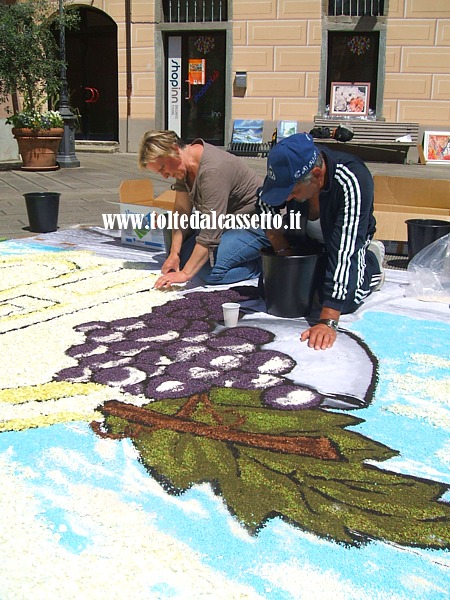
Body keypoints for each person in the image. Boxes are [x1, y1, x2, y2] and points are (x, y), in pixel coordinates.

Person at [258, 132, 385, 351]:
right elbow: (265, 202)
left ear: (317, 175)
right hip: (309, 240)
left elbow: (345, 250)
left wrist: (328, 319)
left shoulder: (352, 179)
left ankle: (372, 260)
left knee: (345, 300)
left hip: (347, 242)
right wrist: (280, 245)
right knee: (273, 290)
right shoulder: (287, 171)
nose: (286, 199)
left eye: (292, 192)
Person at [138, 130, 271, 289]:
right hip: (230, 223)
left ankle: (261, 265)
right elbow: (181, 210)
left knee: (208, 272)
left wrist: (185, 274)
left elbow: (210, 232)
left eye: (162, 168)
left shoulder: (212, 171)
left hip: (258, 225)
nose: (165, 176)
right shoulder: (184, 167)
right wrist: (174, 254)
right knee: (187, 258)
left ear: (173, 149)